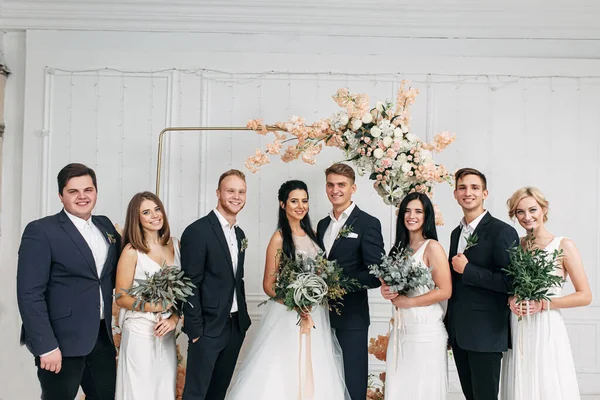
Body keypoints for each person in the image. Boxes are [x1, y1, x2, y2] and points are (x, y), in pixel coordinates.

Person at [226, 180, 350, 399]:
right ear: (283, 204)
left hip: (315, 313)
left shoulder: (312, 233)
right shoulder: (279, 238)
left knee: (316, 363)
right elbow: (268, 285)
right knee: (285, 363)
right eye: (294, 201)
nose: (300, 206)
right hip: (288, 313)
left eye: (304, 201)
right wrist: (295, 301)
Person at [17, 163, 121, 400]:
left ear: (96, 192)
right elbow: (29, 294)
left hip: (101, 338)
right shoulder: (41, 231)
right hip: (60, 343)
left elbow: (113, 274)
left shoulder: (105, 226)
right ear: (60, 196)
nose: (82, 196)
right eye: (73, 191)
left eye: (88, 189)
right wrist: (46, 346)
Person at [500, 187, 591, 400]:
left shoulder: (563, 245)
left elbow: (585, 295)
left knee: (546, 380)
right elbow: (508, 285)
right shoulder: (516, 246)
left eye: (532, 210)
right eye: (520, 212)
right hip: (518, 325)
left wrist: (543, 303)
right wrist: (511, 299)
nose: (527, 217)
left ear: (544, 209)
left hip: (546, 325)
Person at [446, 167, 519, 400]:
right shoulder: (455, 234)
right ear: (455, 194)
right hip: (459, 333)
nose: (468, 192)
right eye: (462, 187)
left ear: (485, 193)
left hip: (486, 333)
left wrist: (468, 270)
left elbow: (510, 281)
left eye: (475, 187)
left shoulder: (502, 232)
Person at [180, 169, 251, 400]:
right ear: (218, 193)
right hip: (207, 329)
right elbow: (189, 284)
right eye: (231, 190)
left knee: (217, 394)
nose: (236, 196)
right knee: (195, 394)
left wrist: (242, 323)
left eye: (241, 191)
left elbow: (235, 279)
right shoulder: (198, 231)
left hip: (234, 327)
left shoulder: (239, 234)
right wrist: (195, 330)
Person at [316, 163, 384, 400]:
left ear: (353, 188)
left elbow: (376, 273)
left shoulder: (368, 223)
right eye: (331, 184)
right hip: (320, 317)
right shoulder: (322, 225)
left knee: (353, 381)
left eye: (341, 185)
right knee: (326, 377)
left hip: (352, 316)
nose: (336, 190)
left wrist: (339, 285)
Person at [379, 192, 452, 399]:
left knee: (422, 389)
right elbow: (394, 288)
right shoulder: (398, 250)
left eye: (418, 211)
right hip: (401, 329)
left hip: (425, 330)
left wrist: (409, 302)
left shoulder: (432, 247)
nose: (412, 215)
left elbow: (445, 290)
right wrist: (387, 291)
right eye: (407, 211)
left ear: (426, 216)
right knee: (400, 388)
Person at [115, 191, 180, 399]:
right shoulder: (132, 251)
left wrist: (174, 318)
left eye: (157, 209)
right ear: (137, 219)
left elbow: (182, 293)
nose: (155, 215)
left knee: (164, 389)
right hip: (139, 331)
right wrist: (155, 307)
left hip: (166, 332)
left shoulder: (175, 245)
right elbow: (121, 297)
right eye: (146, 212)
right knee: (139, 391)